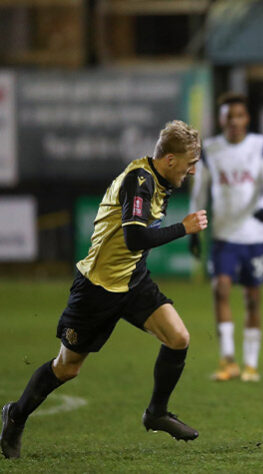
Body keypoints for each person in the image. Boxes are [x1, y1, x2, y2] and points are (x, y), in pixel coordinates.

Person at [0, 121, 207, 459]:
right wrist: (183, 228)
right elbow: (135, 238)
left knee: (178, 338)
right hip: (97, 289)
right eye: (190, 162)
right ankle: (16, 414)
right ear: (170, 159)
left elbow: (133, 248)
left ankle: (156, 413)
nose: (193, 170)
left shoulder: (159, 180)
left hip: (133, 280)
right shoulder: (138, 182)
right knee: (67, 368)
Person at [188, 92, 263, 383]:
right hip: (224, 235)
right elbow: (199, 190)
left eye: (239, 116)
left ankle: (250, 363)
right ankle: (228, 360)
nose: (235, 122)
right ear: (221, 120)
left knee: (253, 298)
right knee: (221, 290)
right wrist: (194, 226)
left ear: (247, 118)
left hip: (254, 236)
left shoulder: (261, 145)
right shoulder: (210, 149)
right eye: (229, 116)